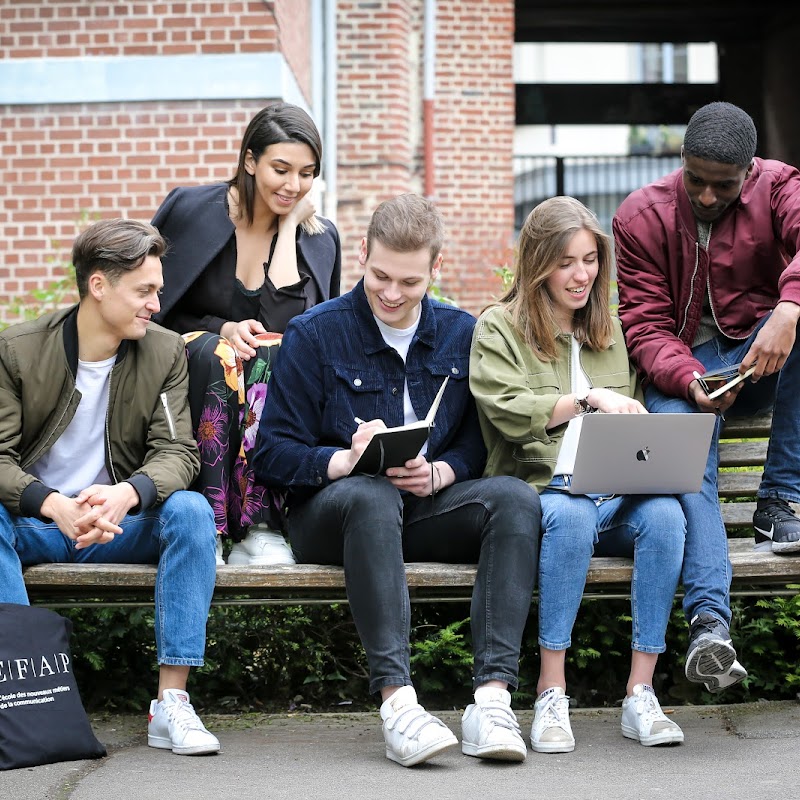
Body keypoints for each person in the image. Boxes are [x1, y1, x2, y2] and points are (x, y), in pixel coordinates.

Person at [252, 193, 540, 766]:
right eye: (379, 274)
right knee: (371, 492)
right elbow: (273, 454)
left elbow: (476, 444)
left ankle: (491, 702)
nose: (390, 293)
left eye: (409, 282)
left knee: (514, 499)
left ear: (437, 267)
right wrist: (345, 460)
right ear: (361, 252)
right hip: (332, 516)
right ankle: (398, 703)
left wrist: (442, 472)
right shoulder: (315, 334)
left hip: (418, 512)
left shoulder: (462, 332)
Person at [470, 197, 686, 751]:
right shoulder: (499, 327)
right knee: (568, 514)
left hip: (611, 495)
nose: (581, 274)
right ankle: (550, 691)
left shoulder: (609, 331)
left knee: (663, 515)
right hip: (542, 494)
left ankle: (640, 692)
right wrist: (584, 399)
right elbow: (507, 410)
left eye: (589, 260)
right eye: (565, 261)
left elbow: (633, 421)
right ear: (539, 262)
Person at [0, 218, 220, 756]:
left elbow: (179, 452)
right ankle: (17, 688)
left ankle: (171, 705)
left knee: (191, 511)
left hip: (121, 522)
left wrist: (128, 493)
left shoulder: (165, 351)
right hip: (41, 523)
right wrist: (53, 504)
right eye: (143, 291)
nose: (155, 304)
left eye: (157, 292)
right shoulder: (19, 351)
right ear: (98, 286)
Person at [613, 100, 800, 693]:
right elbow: (643, 324)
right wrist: (688, 378)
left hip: (764, 360)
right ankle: (710, 626)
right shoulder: (640, 216)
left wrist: (789, 308)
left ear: (749, 171)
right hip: (685, 376)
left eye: (724, 185)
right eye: (696, 180)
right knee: (686, 462)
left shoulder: (780, 188)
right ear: (681, 163)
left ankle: (778, 505)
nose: (709, 195)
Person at [151, 102, 341, 566]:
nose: (293, 185)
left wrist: (290, 225)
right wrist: (223, 328)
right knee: (221, 355)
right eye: (281, 169)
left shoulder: (318, 237)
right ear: (250, 161)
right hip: (191, 364)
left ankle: (261, 526)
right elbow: (153, 310)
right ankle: (210, 526)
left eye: (306, 173)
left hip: (266, 375)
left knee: (274, 353)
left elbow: (292, 329)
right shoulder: (190, 210)